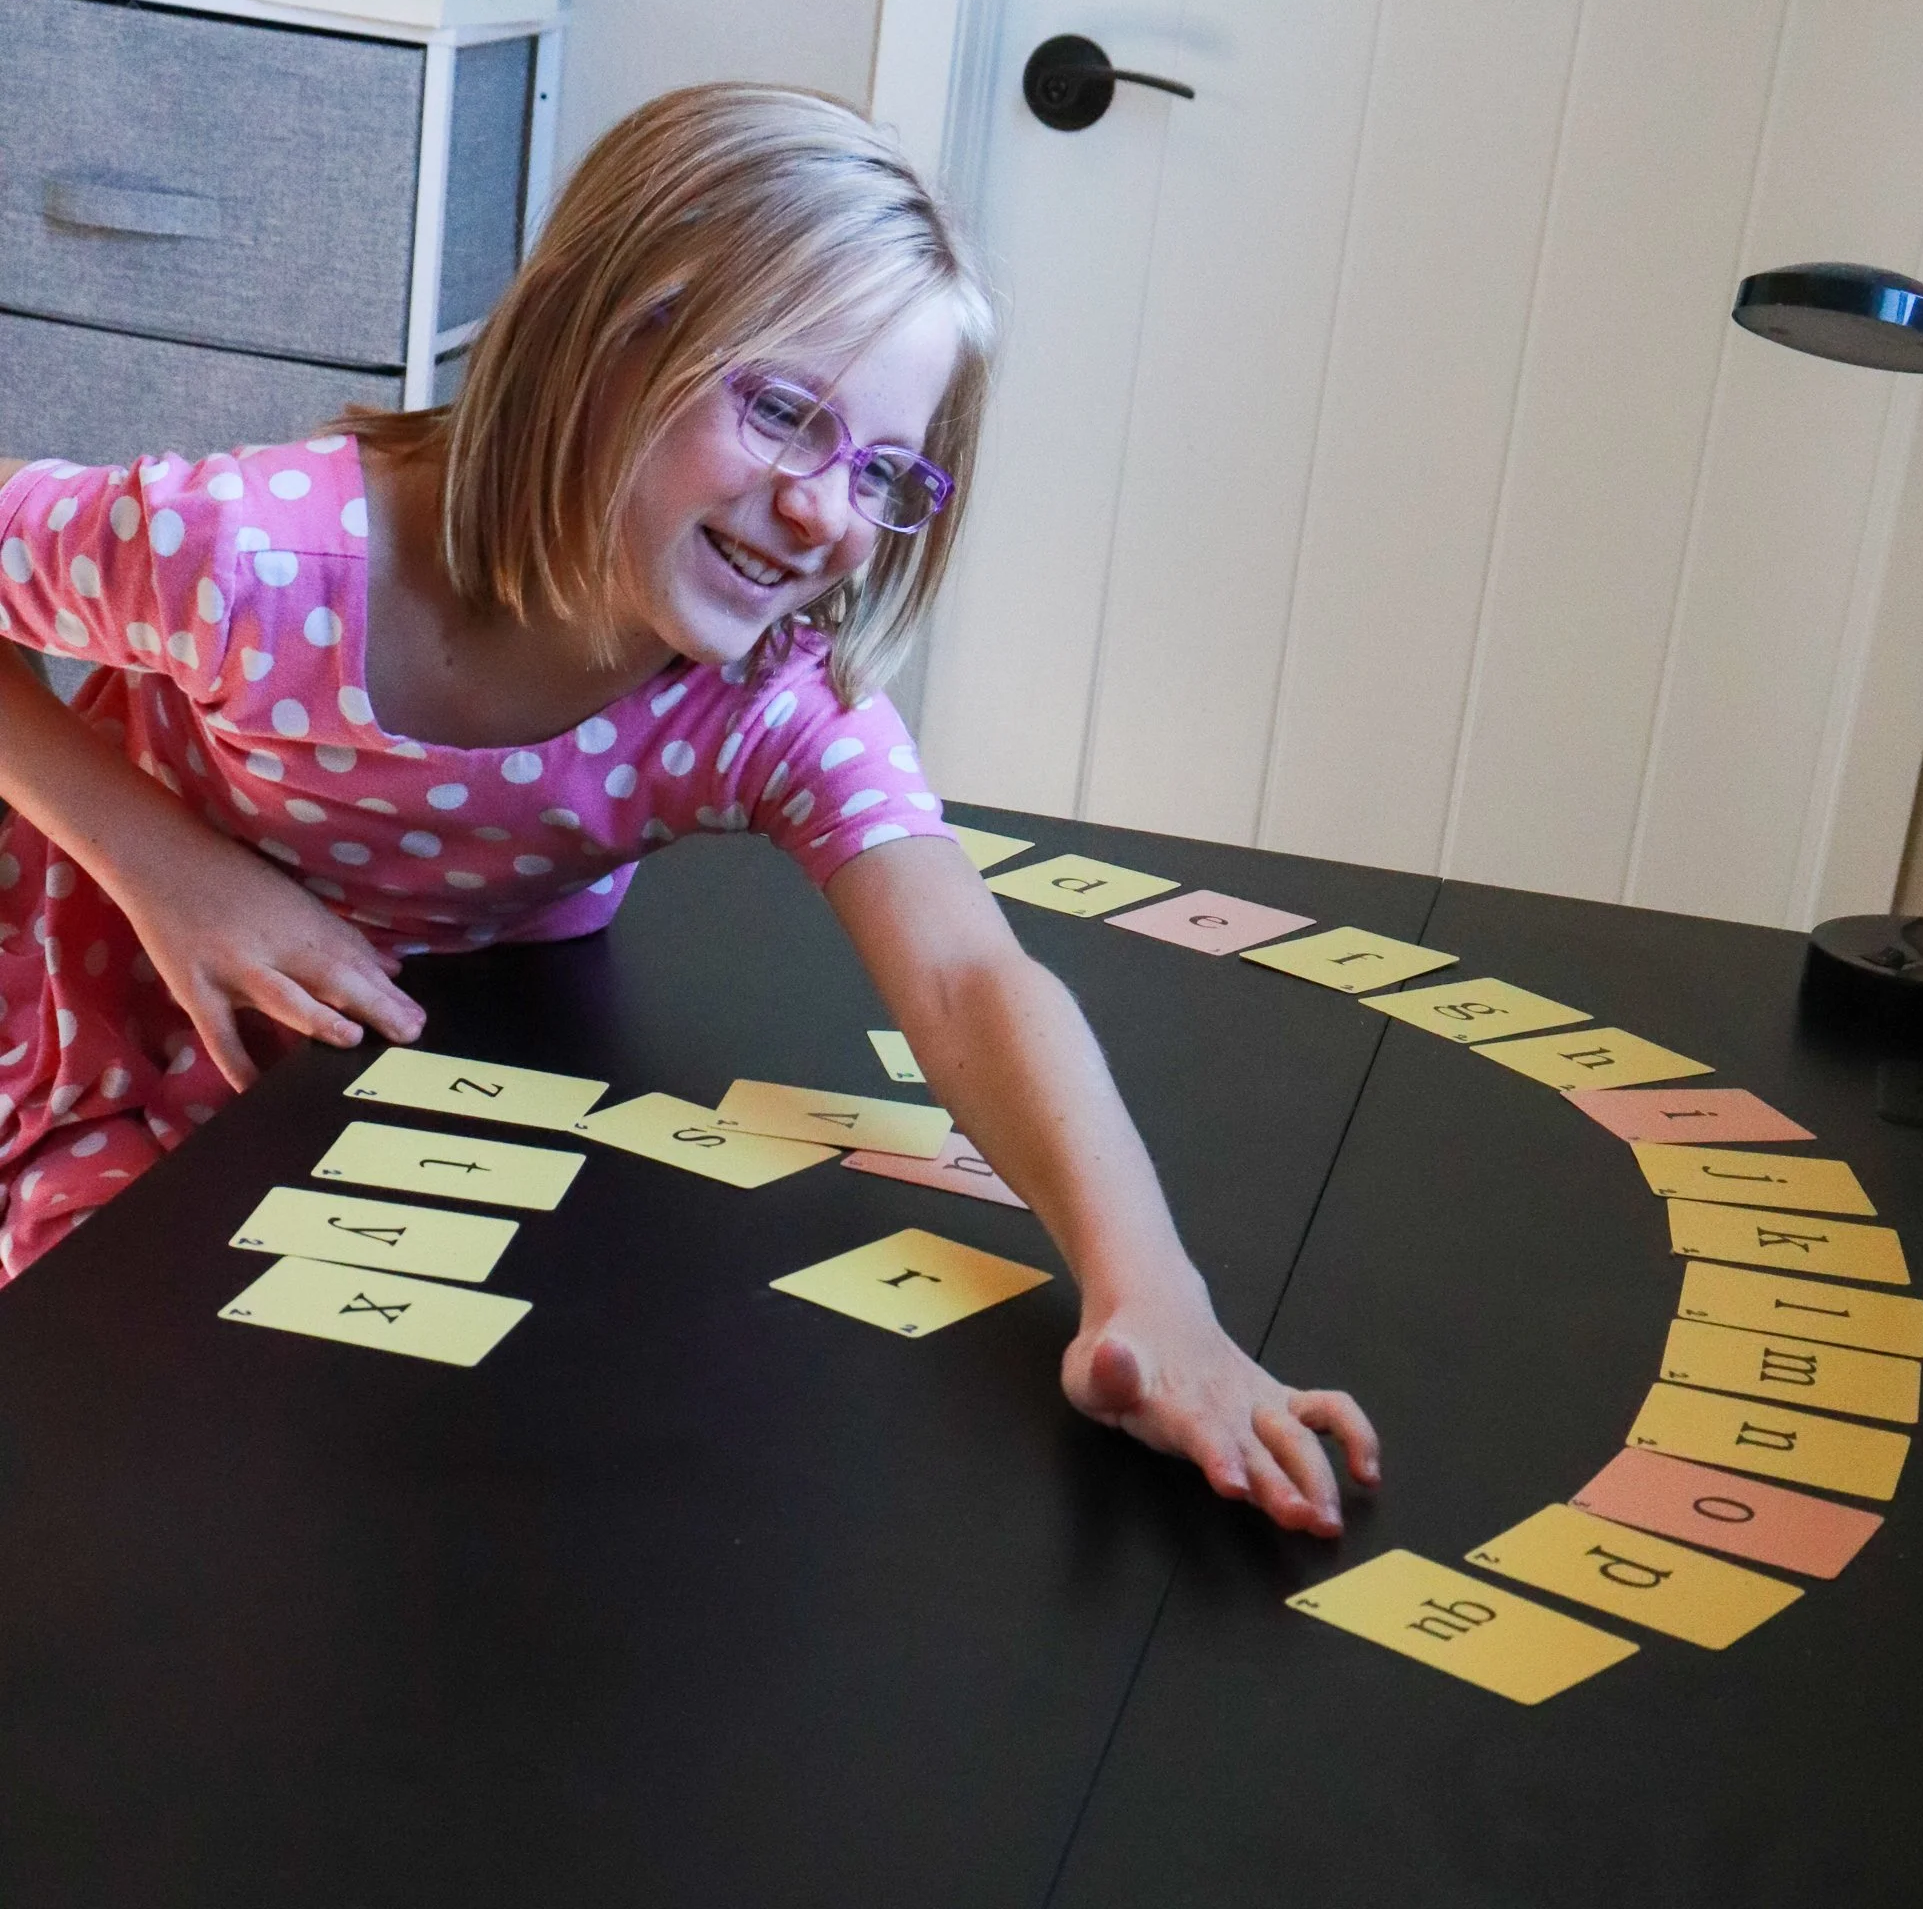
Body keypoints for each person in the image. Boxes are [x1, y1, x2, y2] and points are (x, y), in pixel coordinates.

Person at [0, 83, 1377, 1536]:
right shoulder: (254, 555)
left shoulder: (764, 699)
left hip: (417, 1071)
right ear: (599, 338)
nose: (824, 512)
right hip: (105, 1038)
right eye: (780, 411)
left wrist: (1151, 1296)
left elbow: (970, 975)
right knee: (137, 1465)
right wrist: (170, 868)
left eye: (882, 471)